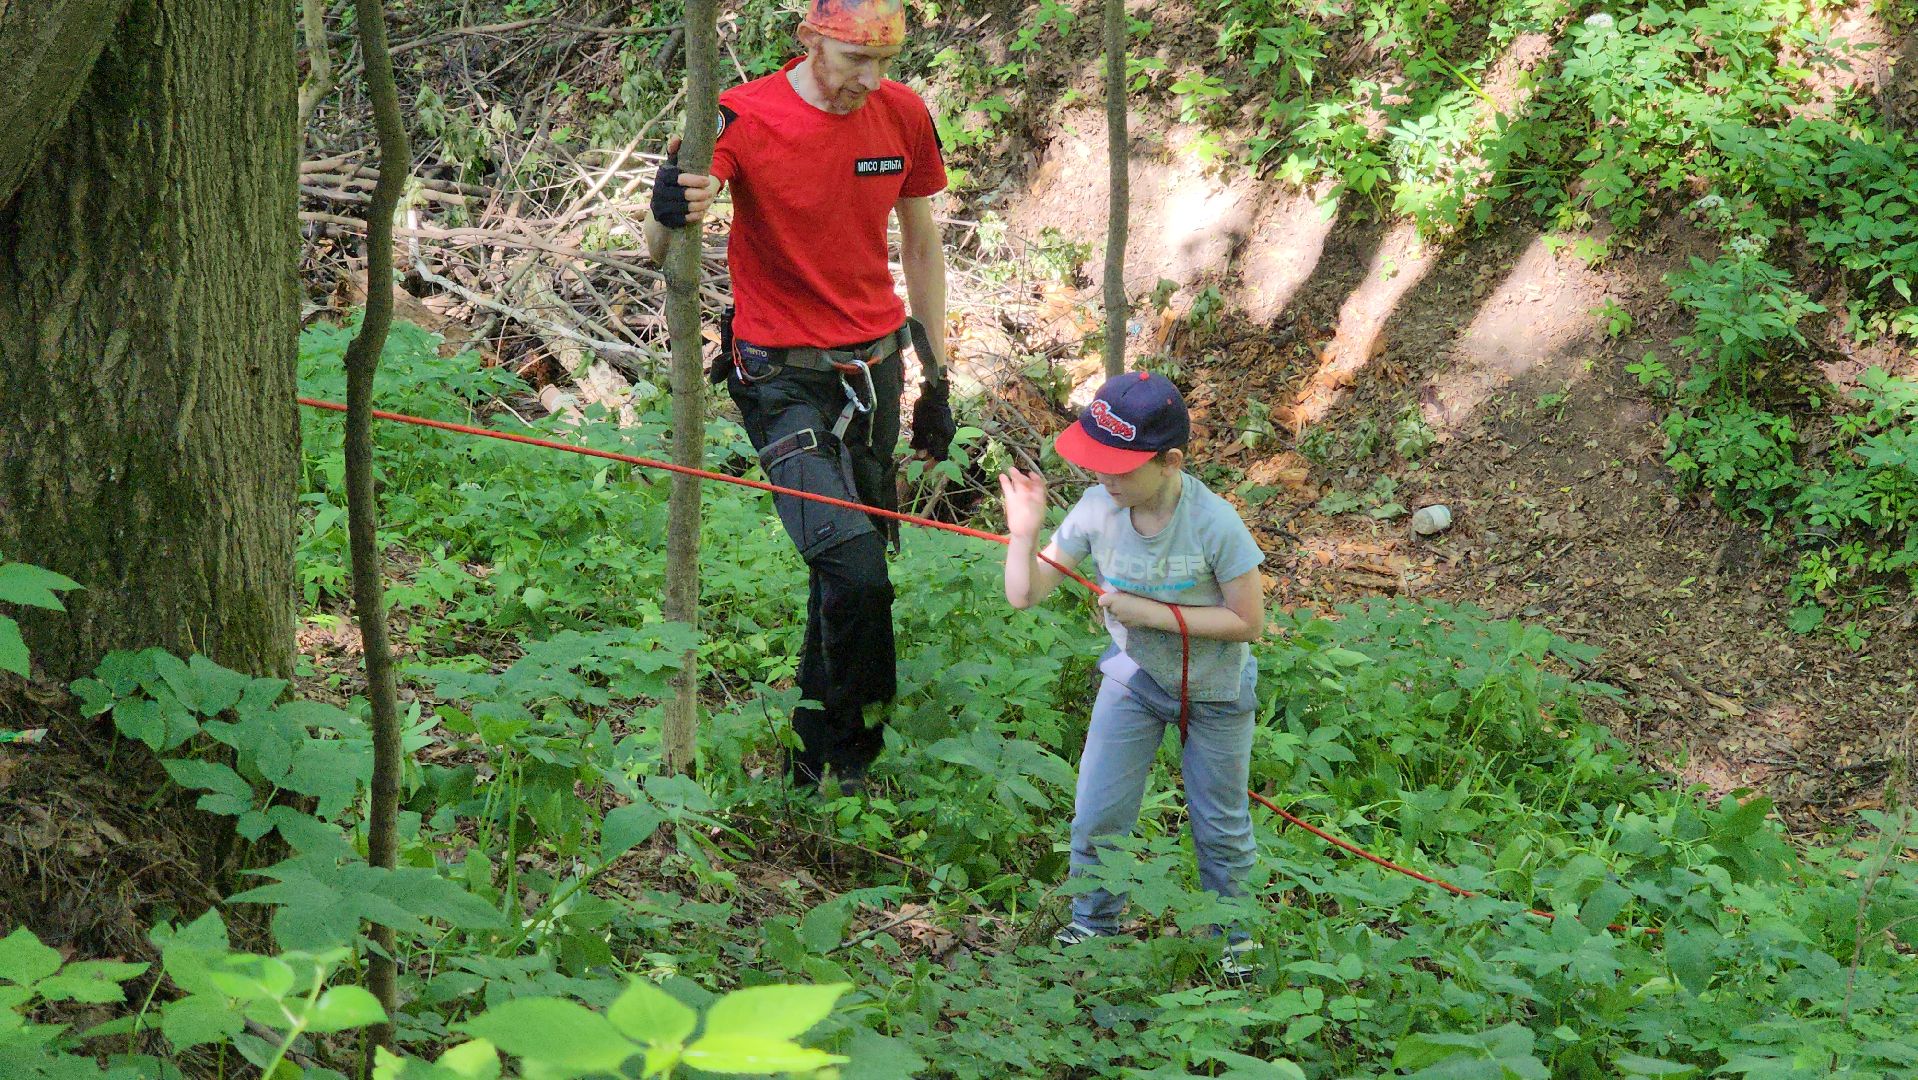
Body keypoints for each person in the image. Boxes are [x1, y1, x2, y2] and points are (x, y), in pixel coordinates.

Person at [644, 0, 955, 790]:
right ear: (808, 41)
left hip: (877, 367)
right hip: (780, 377)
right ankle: (851, 762)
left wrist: (937, 374)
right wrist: (666, 207)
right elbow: (664, 242)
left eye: (884, 62)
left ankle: (811, 763)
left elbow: (921, 242)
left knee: (847, 564)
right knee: (856, 568)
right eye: (855, 60)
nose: (870, 79)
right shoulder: (742, 118)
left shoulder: (903, 115)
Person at [1000, 372, 1266, 980]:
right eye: (1096, 463)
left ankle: (1236, 940)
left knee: (1220, 825)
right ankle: (1093, 923)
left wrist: (1145, 612)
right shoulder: (1098, 509)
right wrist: (1024, 534)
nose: (1103, 477)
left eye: (1118, 466)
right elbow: (1026, 592)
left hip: (1217, 693)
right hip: (1134, 680)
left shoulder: (1215, 524)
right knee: (1098, 810)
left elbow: (1248, 621)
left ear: (1170, 461)